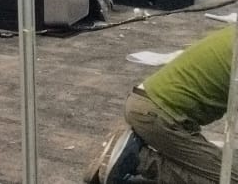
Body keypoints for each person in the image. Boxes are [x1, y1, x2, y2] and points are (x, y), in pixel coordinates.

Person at [88, 25, 235, 184]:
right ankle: (139, 160)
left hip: (149, 106)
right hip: (159, 116)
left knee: (220, 168)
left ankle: (126, 154)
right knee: (228, 178)